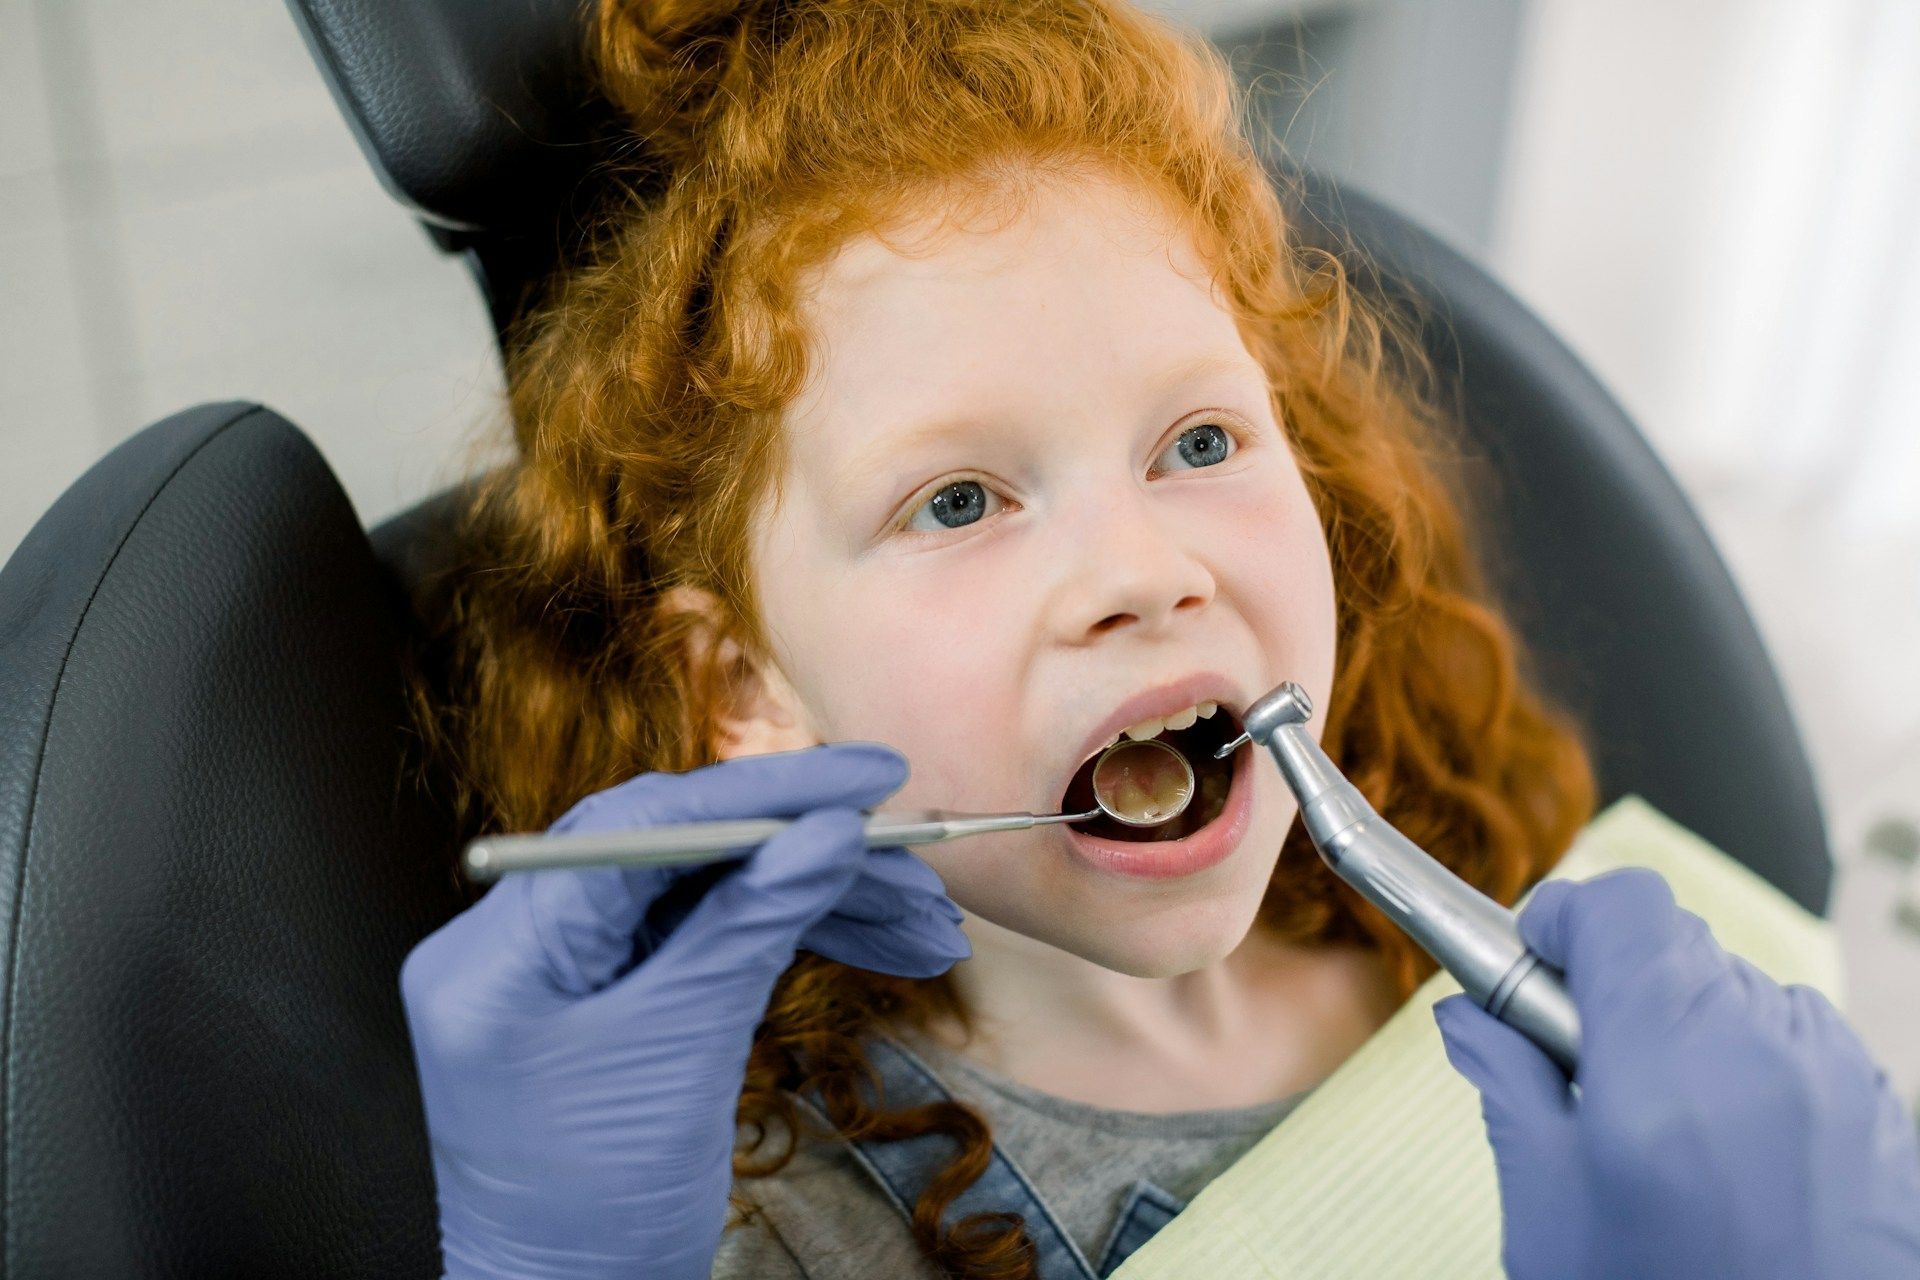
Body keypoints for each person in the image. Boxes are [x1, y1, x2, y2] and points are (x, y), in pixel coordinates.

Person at [392, 1, 1920, 1276]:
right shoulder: (789, 1229)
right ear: (746, 685)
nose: (1145, 570)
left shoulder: (1484, 881)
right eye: (962, 499)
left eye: (1197, 443)